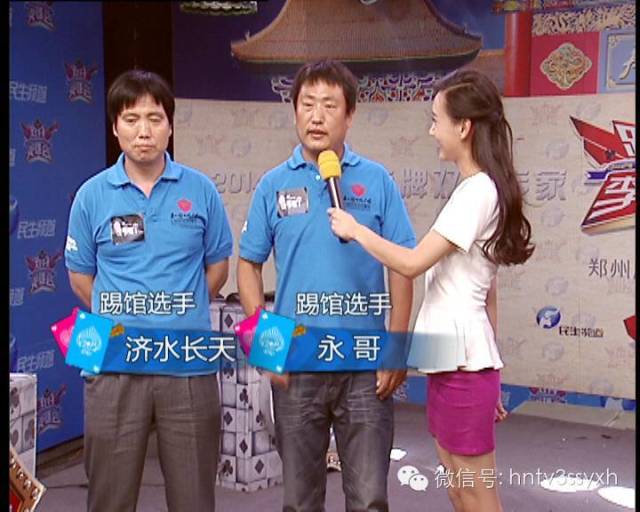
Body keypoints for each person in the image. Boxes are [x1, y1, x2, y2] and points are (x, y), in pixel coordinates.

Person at [329, 69, 534, 512]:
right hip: (456, 360)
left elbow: (411, 262)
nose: (431, 131)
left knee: (476, 492)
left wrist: (356, 230)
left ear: (464, 127)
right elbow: (489, 290)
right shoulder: (474, 189)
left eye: (436, 120)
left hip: (464, 365)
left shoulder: (478, 191)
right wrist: (492, 365)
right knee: (458, 488)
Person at [237, 59, 416, 511]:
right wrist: (265, 344)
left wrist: (397, 345)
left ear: (349, 115)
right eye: (307, 104)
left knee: (370, 498)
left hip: (364, 364)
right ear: (295, 110)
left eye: (329, 106)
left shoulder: (376, 181)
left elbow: (402, 265)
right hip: (298, 363)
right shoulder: (273, 185)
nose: (316, 116)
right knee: (300, 500)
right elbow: (248, 265)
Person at [64, 69, 233, 512]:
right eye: (132, 118)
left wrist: (178, 309)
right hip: (113, 361)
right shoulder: (91, 196)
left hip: (187, 360)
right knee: (110, 497)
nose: (144, 131)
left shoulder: (200, 190)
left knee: (194, 498)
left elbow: (218, 268)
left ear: (170, 126)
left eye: (155, 118)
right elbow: (80, 277)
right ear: (115, 127)